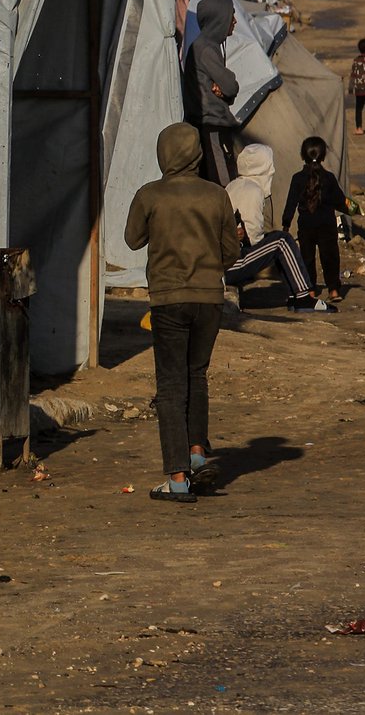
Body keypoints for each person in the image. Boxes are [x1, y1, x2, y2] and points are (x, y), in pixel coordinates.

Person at [125, 122, 240, 504]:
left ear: (163, 154)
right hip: (210, 299)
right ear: (197, 154)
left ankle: (177, 478)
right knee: (197, 375)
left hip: (168, 299)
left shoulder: (149, 195)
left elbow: (132, 239)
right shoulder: (217, 196)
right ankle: (195, 452)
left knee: (171, 385)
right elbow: (230, 254)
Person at [223, 143, 336, 313]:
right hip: (234, 261)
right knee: (283, 241)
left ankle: (294, 294)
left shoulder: (234, 185)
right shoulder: (252, 190)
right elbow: (254, 238)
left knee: (277, 240)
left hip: (225, 258)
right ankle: (303, 296)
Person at [282, 136, 358, 303]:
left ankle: (310, 291)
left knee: (306, 257)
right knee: (330, 256)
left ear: (303, 155)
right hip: (327, 225)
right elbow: (340, 200)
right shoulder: (329, 178)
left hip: (306, 226)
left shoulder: (297, 178)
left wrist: (286, 224)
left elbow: (290, 203)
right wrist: (355, 209)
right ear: (323, 156)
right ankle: (333, 290)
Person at [184, 0, 241, 185]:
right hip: (212, 126)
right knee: (223, 183)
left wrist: (224, 91)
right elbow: (231, 86)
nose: (234, 21)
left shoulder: (208, 47)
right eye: (231, 16)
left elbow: (227, 90)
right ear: (219, 19)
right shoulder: (206, 49)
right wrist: (225, 89)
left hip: (209, 124)